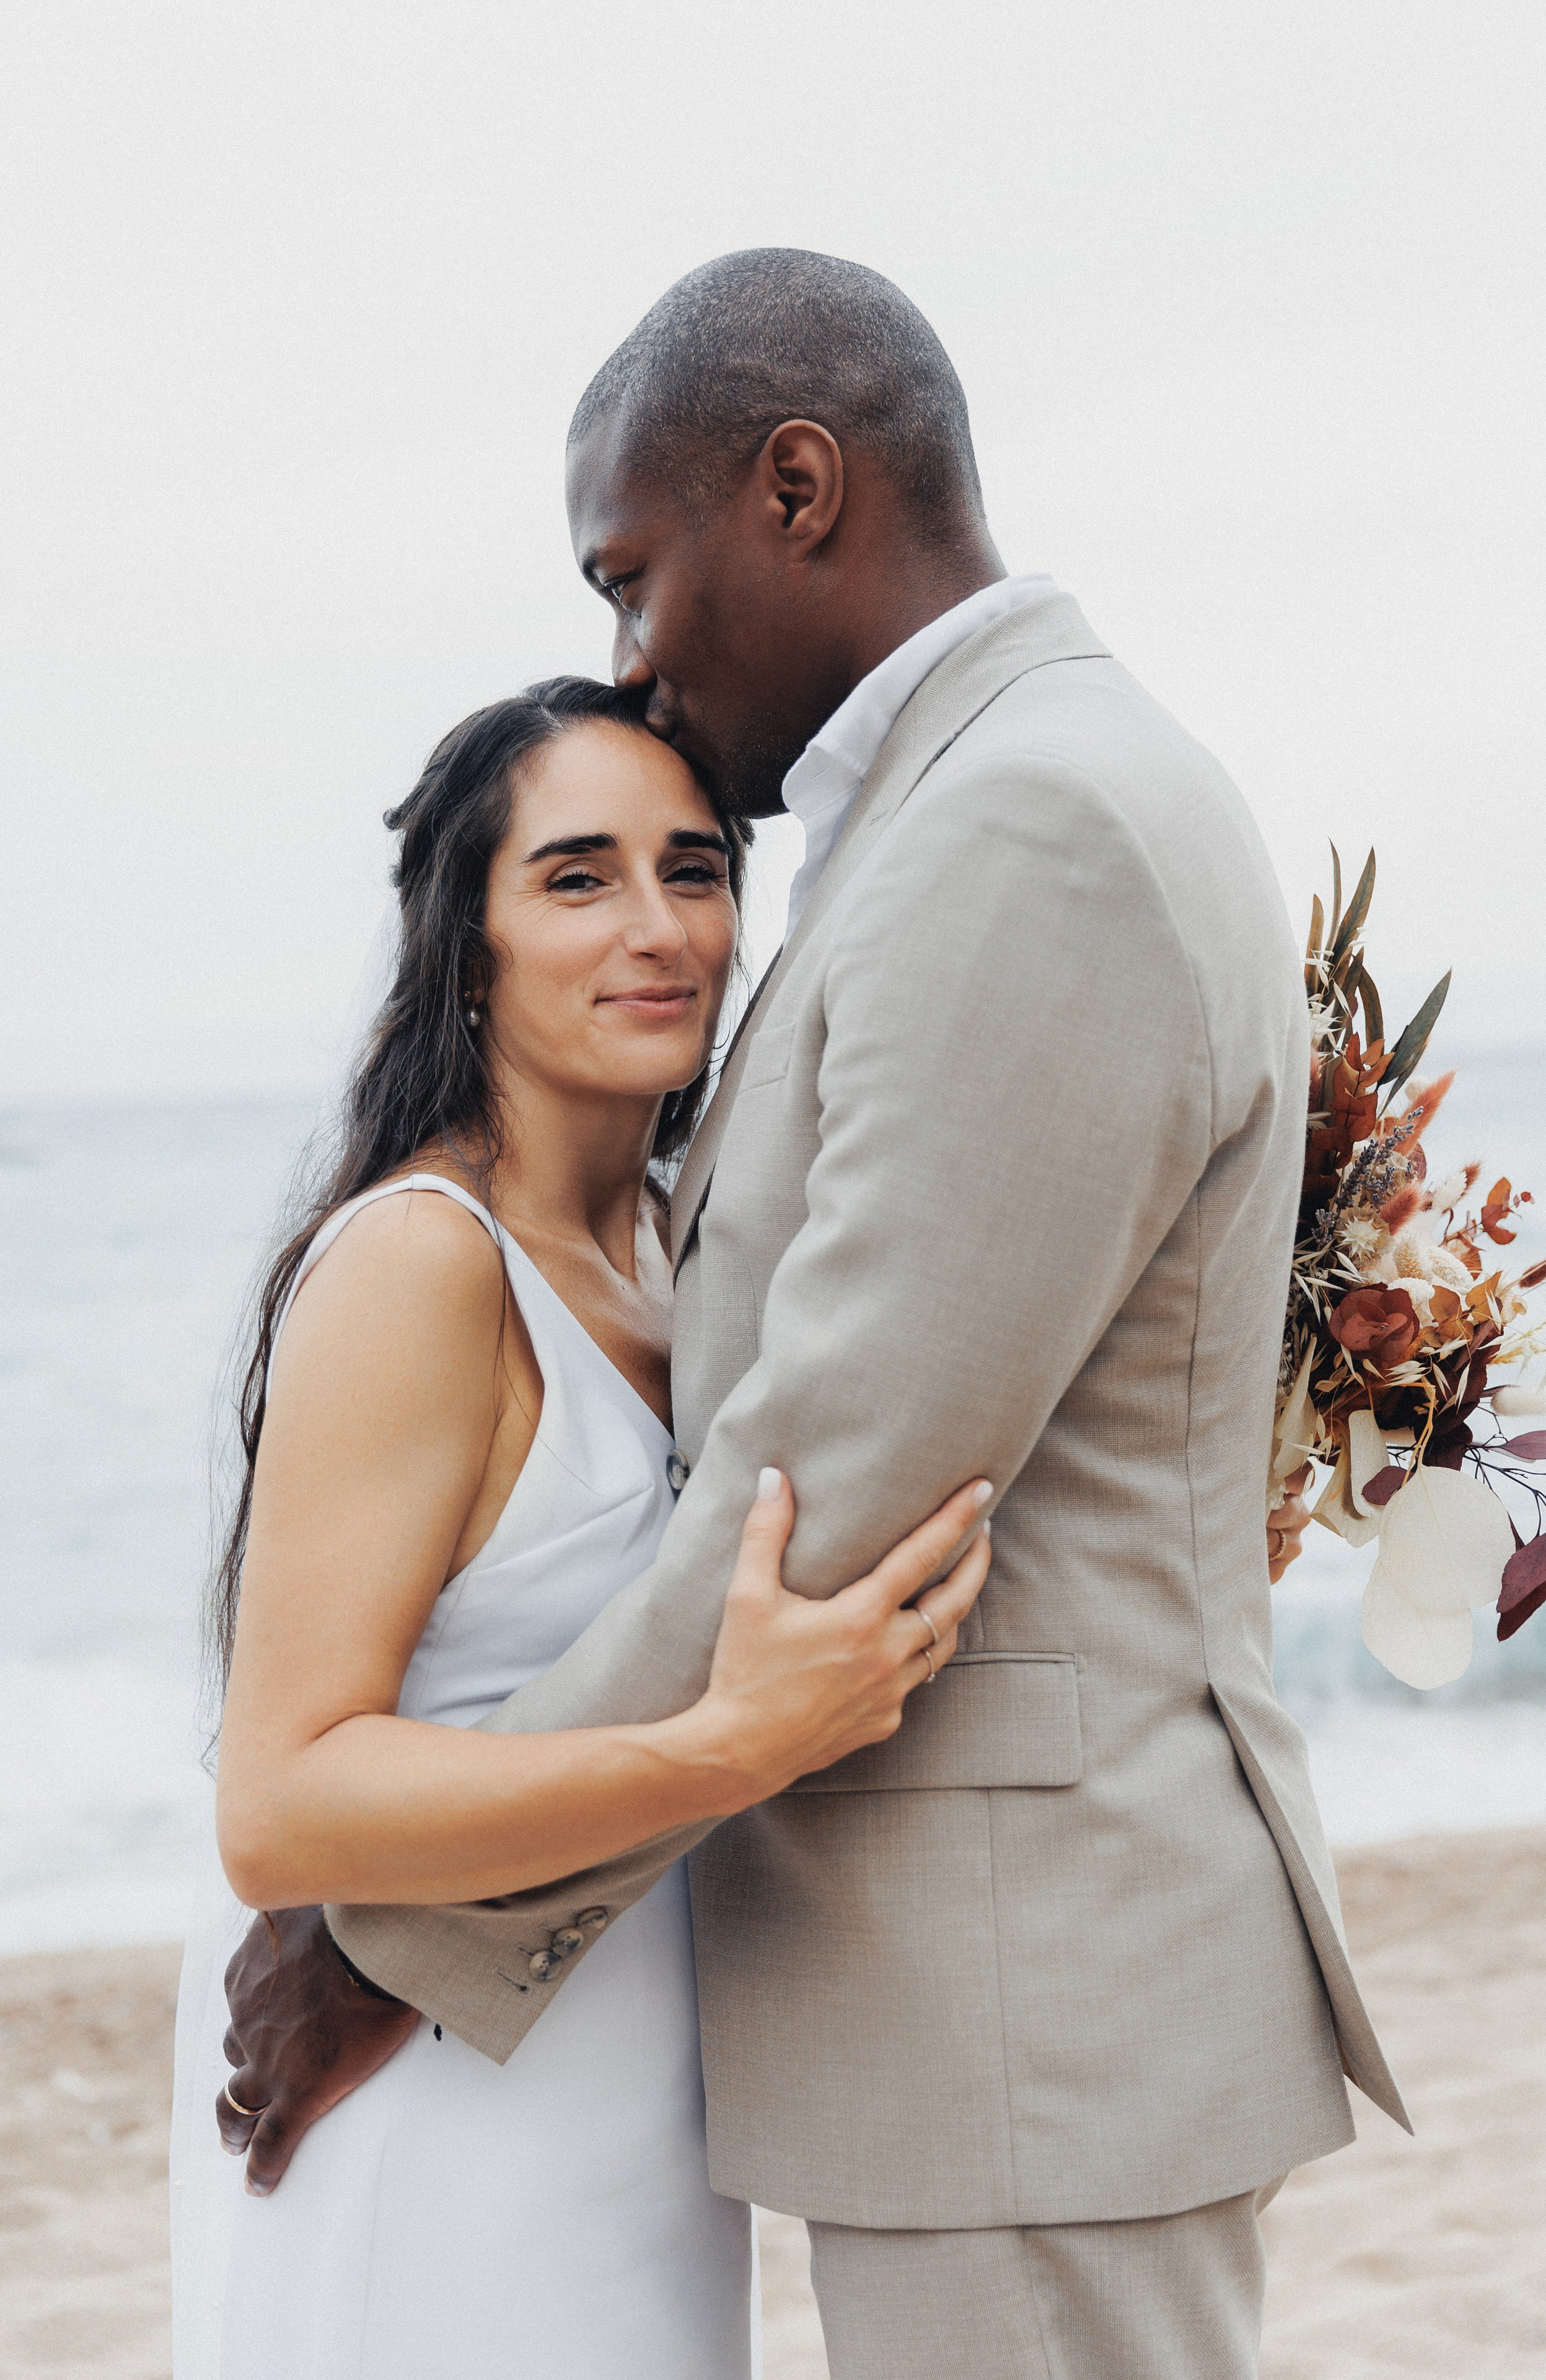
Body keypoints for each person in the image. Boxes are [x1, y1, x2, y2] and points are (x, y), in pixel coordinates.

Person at [214, 252, 1381, 2380]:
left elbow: (827, 1474)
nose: (631, 653)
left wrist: (396, 1940)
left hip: (1026, 2018)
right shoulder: (1001, 798)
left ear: (801, 487)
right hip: (971, 2020)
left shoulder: (1026, 818)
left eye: (631, 573)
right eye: (572, 876)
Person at [168, 674, 993, 2378]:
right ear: (465, 947)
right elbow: (282, 1800)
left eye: (694, 873)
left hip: (632, 2081)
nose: (657, 928)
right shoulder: (421, 1262)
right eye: (575, 877)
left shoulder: (686, 1257)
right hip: (434, 2115)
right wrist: (733, 1747)